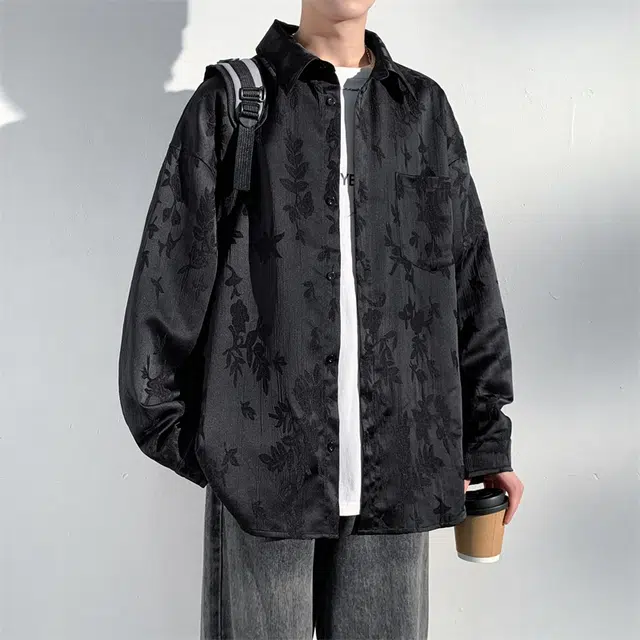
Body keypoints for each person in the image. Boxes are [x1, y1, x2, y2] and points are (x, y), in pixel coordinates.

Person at [118, 1, 524, 638]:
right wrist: (215, 450)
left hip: (399, 468)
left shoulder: (421, 109)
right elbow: (168, 282)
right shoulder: (234, 102)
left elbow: (468, 279)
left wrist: (486, 438)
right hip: (264, 476)